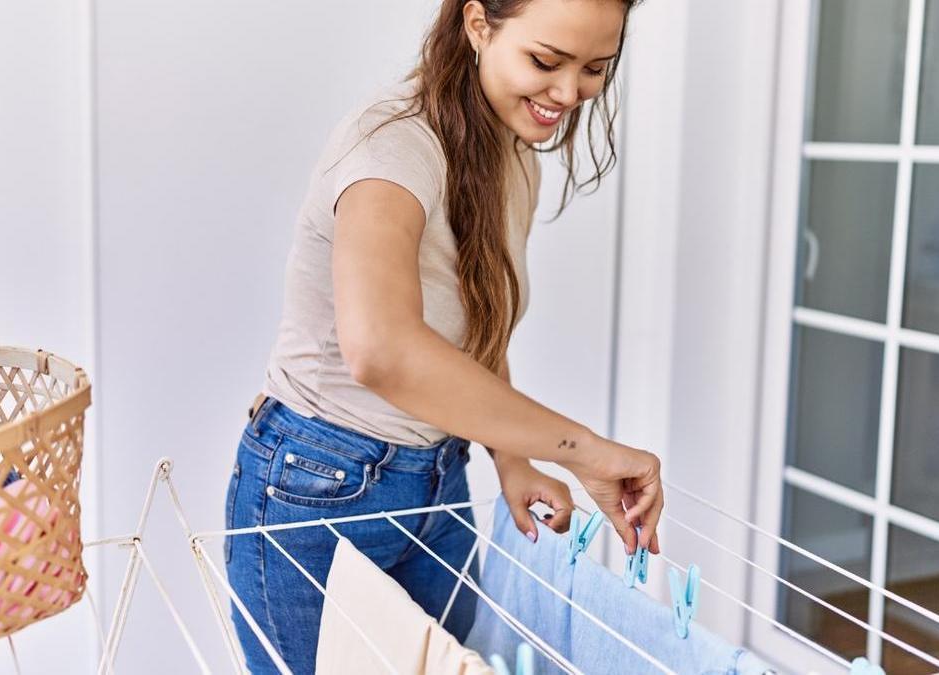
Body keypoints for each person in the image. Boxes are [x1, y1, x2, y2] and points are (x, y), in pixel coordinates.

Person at [223, 0, 660, 671]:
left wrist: (511, 457)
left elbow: (473, 325)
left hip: (437, 477)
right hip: (317, 485)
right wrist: (586, 450)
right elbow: (384, 350)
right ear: (479, 24)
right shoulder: (390, 146)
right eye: (546, 61)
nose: (569, 92)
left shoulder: (514, 154)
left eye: (596, 67)